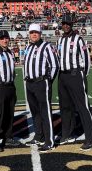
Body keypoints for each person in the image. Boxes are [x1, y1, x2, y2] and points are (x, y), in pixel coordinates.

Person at [57, 14, 92, 151]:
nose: (66, 26)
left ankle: (90, 138)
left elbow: (86, 59)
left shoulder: (78, 39)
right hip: (63, 76)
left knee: (82, 106)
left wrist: (82, 76)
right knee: (65, 107)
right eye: (64, 23)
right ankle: (67, 134)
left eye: (68, 23)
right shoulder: (60, 40)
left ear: (72, 24)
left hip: (75, 74)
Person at [24, 23, 59, 152]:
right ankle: (39, 136)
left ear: (40, 34)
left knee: (45, 112)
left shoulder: (46, 47)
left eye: (36, 32)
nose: (34, 34)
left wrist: (48, 81)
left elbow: (55, 65)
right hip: (29, 83)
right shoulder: (29, 47)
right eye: (32, 32)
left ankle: (49, 141)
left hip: (41, 82)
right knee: (35, 112)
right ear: (29, 34)